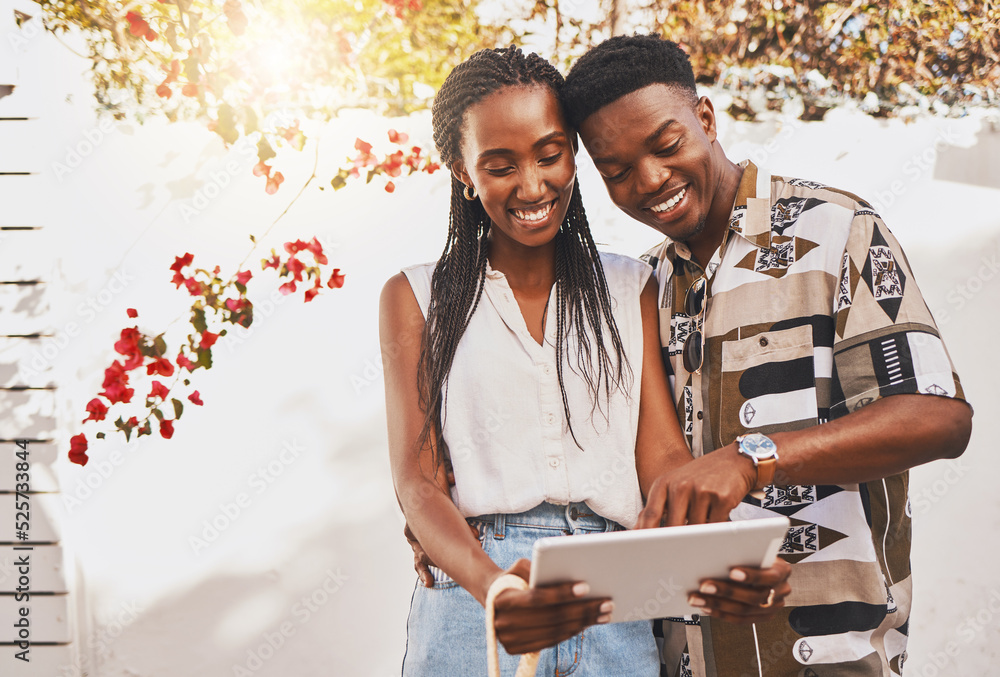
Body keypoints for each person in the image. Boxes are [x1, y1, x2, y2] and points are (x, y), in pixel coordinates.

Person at [558, 33, 974, 676]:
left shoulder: (836, 230)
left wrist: (756, 458)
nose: (650, 180)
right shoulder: (641, 290)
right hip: (686, 661)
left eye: (666, 146)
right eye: (615, 172)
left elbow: (939, 417)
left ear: (705, 118)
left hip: (832, 658)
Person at [380, 45, 789, 676]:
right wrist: (495, 588)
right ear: (463, 172)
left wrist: (719, 560)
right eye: (500, 165)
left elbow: (663, 467)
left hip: (612, 597)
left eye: (550, 155)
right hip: (473, 591)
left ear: (573, 152)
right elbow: (419, 480)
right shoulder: (415, 296)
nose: (532, 185)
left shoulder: (631, 287)